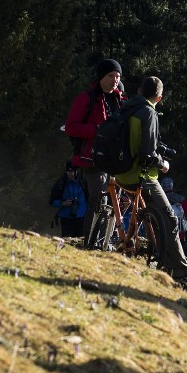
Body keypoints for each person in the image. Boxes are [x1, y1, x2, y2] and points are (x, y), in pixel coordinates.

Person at [113, 76, 187, 290]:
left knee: (153, 218)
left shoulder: (127, 107)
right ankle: (183, 271)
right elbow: (146, 153)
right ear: (159, 97)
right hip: (141, 176)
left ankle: (167, 263)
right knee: (171, 219)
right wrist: (163, 164)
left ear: (139, 90)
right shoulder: (148, 112)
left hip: (121, 173)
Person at [65, 58, 124, 245]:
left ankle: (106, 242)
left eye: (117, 76)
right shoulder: (86, 98)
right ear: (101, 77)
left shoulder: (121, 100)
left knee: (115, 203)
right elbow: (71, 127)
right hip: (92, 159)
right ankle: (91, 243)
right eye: (110, 76)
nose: (114, 80)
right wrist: (96, 129)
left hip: (117, 160)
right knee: (98, 201)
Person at [49, 160, 88, 237]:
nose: (72, 174)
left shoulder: (83, 182)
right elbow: (51, 201)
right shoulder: (61, 183)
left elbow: (90, 198)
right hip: (66, 218)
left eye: (73, 171)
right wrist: (63, 203)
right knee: (68, 242)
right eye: (69, 172)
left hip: (82, 218)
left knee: (81, 242)